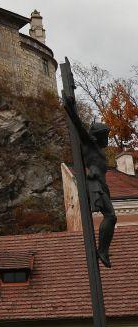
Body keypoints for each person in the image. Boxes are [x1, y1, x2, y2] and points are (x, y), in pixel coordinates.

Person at [63, 102, 117, 267]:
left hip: (102, 185)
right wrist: (70, 108)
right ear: (98, 136)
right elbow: (79, 126)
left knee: (111, 216)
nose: (107, 138)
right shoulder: (89, 144)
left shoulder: (100, 150)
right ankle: (102, 250)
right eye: (105, 135)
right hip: (94, 183)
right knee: (111, 216)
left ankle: (103, 250)